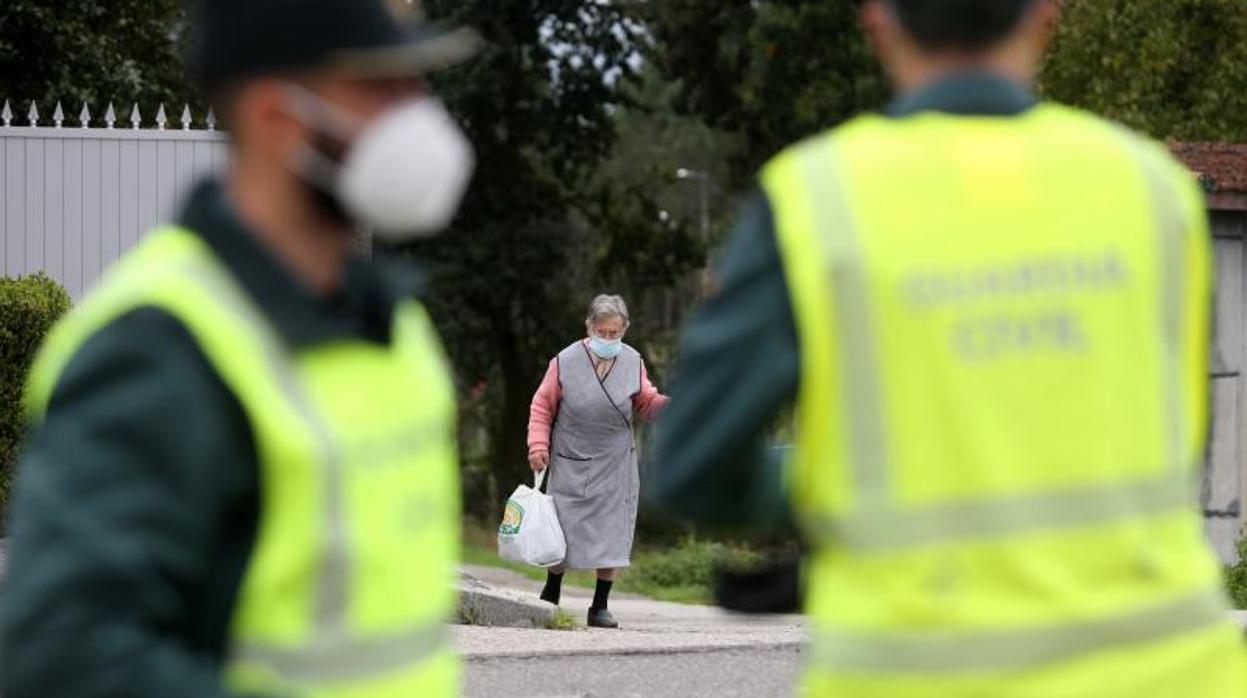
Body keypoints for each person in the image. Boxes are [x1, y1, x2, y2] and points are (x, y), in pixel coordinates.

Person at [649, 1, 1247, 696]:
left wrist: (818, 487)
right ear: (1044, 17)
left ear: (876, 23)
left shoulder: (817, 199)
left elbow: (690, 466)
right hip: (1167, 673)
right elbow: (1173, 433)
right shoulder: (1154, 192)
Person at [0, 1, 480, 696]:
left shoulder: (391, 321)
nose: (419, 118)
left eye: (417, 85)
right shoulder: (157, 347)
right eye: (381, 87)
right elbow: (63, 658)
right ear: (276, 119)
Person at [526, 294, 668, 628]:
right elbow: (542, 406)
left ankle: (600, 604)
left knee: (612, 529)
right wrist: (537, 445)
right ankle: (552, 591)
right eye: (602, 332)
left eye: (614, 333)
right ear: (589, 327)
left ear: (624, 330)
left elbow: (645, 401)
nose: (608, 339)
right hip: (570, 454)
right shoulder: (565, 360)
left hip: (614, 459)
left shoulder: (633, 361)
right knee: (561, 525)